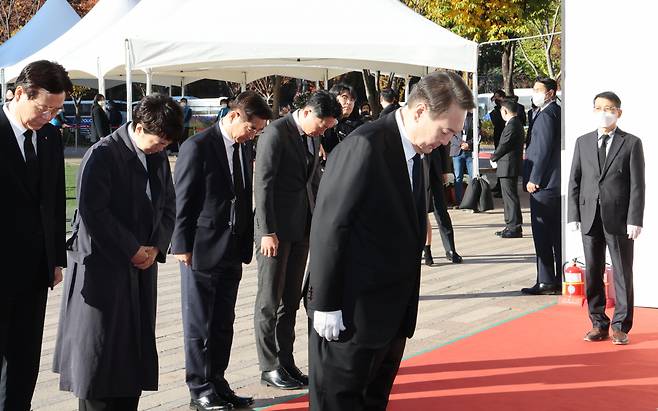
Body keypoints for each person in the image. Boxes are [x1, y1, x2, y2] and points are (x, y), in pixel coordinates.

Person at [306, 71, 475, 410]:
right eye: (446, 131)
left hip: (390, 317)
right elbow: (330, 226)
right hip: (349, 313)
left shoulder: (416, 152)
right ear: (419, 111)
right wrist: (324, 302)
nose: (446, 142)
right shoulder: (365, 146)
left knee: (373, 401)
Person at [53, 94, 183, 411]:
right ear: (138, 127)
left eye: (167, 142)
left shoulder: (156, 155)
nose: (161, 147)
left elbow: (168, 204)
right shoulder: (102, 155)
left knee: (130, 356)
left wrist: (155, 246)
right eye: (158, 140)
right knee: (97, 359)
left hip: (141, 268)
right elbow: (94, 214)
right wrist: (132, 248)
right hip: (103, 270)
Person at [171, 91, 272, 411]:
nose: (254, 134)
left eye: (259, 131)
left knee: (223, 321)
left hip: (233, 247)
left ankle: (217, 379)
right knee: (200, 322)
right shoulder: (197, 147)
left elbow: (242, 196)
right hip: (201, 247)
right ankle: (199, 386)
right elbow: (183, 200)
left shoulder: (243, 148)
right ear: (233, 116)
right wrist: (181, 244)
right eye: (252, 128)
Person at [253, 91, 341, 390]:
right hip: (274, 230)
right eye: (321, 124)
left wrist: (319, 220)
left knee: (290, 300)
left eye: (327, 126)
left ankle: (286, 362)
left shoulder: (313, 136)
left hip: (302, 226)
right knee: (269, 299)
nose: (323, 130)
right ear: (305, 112)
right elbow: (262, 183)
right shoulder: (275, 133)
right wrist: (266, 230)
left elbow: (312, 178)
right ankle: (269, 365)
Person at [0, 60, 71, 411]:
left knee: (25, 359)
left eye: (56, 110)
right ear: (18, 94)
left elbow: (54, 201)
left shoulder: (50, 137)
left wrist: (56, 258)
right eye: (44, 108)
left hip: (33, 269)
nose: (49, 116)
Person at [568, 91, 645, 345]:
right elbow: (574, 181)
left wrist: (635, 218)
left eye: (609, 108)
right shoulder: (582, 142)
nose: (605, 112)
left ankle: (621, 325)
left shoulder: (631, 143)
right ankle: (598, 323)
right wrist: (573, 215)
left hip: (620, 218)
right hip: (589, 216)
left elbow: (637, 185)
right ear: (593, 111)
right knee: (593, 270)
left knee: (622, 272)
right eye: (600, 107)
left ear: (618, 112)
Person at [521, 77, 562, 295]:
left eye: (539, 90)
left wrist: (534, 178)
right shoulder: (549, 112)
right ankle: (555, 279)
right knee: (553, 233)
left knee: (543, 232)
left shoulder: (547, 115)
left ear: (551, 93)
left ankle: (546, 280)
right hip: (551, 183)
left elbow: (543, 149)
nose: (534, 92)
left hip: (544, 184)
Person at [490, 97, 524, 238]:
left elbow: (504, 144)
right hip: (508, 165)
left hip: (508, 165)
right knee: (509, 197)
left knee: (510, 197)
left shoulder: (513, 125)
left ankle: (514, 226)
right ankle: (510, 224)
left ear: (505, 111)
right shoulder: (515, 123)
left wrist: (494, 157)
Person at [424, 144, 463, 265]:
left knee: (441, 210)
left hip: (435, 168)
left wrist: (446, 169)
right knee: (420, 212)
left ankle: (450, 249)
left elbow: (444, 144)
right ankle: (425, 251)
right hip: (417, 167)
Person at [322, 83, 363, 155]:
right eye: (345, 98)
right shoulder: (321, 121)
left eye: (352, 100)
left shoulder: (358, 127)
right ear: (333, 98)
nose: (349, 102)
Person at [448, 110, 475, 204]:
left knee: (473, 176)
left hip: (469, 151)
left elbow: (478, 133)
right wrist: (460, 144)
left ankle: (472, 200)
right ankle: (459, 201)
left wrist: (468, 144)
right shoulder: (454, 117)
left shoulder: (474, 117)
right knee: (458, 177)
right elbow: (450, 134)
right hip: (457, 151)